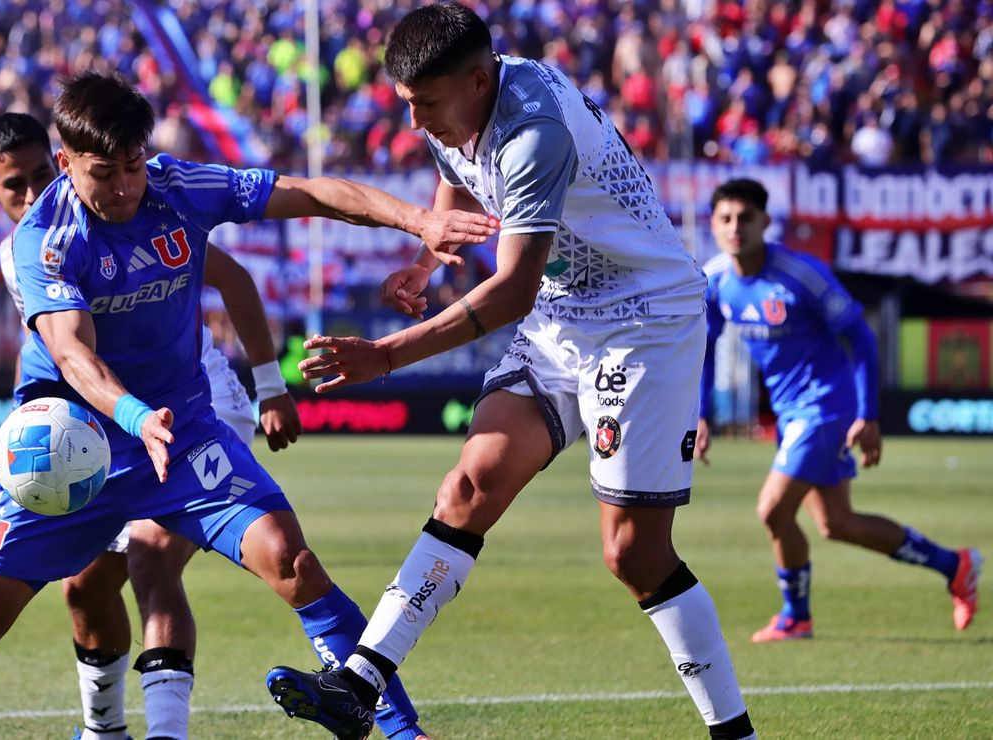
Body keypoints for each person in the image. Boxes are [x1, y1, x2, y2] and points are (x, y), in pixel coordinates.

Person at [0, 69, 496, 740]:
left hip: (186, 435)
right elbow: (74, 357)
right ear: (66, 164)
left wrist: (419, 219)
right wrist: (137, 418)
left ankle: (406, 733)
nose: (123, 187)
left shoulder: (178, 189)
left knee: (293, 562)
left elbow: (310, 192)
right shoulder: (43, 240)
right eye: (103, 172)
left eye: (133, 166)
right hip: (76, 448)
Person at [265, 5, 755, 739]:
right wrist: (429, 257)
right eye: (408, 104)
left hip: (643, 322)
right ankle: (360, 685)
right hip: (565, 316)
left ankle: (735, 733)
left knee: (634, 555)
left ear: (477, 79)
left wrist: (388, 354)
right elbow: (460, 178)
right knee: (468, 485)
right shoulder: (453, 109)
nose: (417, 122)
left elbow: (513, 289)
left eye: (426, 104)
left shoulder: (533, 133)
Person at [0, 111, 301, 739]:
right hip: (121, 425)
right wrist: (18, 432)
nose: (32, 192)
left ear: (61, 162)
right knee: (83, 591)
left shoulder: (132, 213)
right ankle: (104, 732)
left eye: (42, 174)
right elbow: (51, 349)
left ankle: (166, 733)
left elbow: (235, 280)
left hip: (198, 408)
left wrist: (271, 386)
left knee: (152, 562)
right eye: (15, 184)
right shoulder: (26, 253)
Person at [695, 177, 981, 642]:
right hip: (793, 414)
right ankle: (956, 565)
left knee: (771, 510)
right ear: (713, 224)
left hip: (827, 407)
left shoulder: (800, 275)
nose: (735, 228)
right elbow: (706, 345)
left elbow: (861, 336)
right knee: (837, 524)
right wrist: (701, 414)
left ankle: (795, 616)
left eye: (745, 218)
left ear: (766, 221)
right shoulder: (718, 282)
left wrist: (868, 414)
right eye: (725, 219)